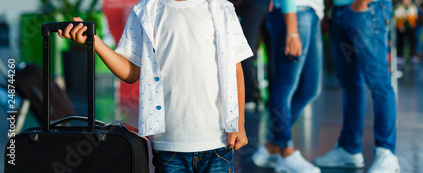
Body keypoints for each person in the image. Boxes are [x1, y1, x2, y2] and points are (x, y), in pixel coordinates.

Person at [58, 0, 253, 172]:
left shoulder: (222, 9)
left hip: (217, 143)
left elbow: (235, 71)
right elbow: (131, 72)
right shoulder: (145, 11)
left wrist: (239, 124)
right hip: (168, 147)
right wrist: (96, 43)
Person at [314, 0, 400, 172]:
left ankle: (387, 152)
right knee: (350, 83)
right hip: (338, 11)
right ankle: (349, 148)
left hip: (366, 8)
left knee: (378, 81)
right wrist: (329, 9)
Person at [250, 0, 324, 172]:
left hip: (312, 12)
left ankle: (272, 145)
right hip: (294, 12)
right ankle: (286, 152)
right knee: (285, 86)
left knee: (310, 88)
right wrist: (291, 31)